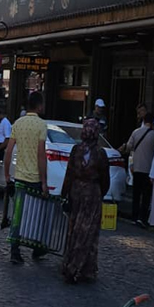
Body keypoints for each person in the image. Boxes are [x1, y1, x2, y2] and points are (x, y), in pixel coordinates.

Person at [61, 119, 110, 284]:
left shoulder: (76, 150)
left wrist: (65, 193)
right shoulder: (100, 154)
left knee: (74, 229)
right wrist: (100, 193)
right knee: (88, 232)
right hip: (92, 194)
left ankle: (73, 263)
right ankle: (78, 268)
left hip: (76, 191)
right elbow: (105, 179)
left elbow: (69, 173)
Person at [4, 92, 48, 264]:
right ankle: (37, 248)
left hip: (20, 177)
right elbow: (41, 154)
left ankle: (15, 250)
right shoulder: (41, 125)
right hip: (35, 178)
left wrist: (8, 175)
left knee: (18, 215)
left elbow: (8, 151)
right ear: (38, 106)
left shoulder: (18, 123)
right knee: (36, 214)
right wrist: (44, 181)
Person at [119, 112, 154, 226]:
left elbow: (129, 147)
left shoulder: (136, 132)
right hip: (148, 169)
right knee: (146, 195)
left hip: (137, 167)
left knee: (136, 193)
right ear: (152, 122)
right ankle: (143, 217)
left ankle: (134, 216)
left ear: (144, 121)